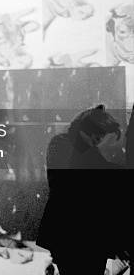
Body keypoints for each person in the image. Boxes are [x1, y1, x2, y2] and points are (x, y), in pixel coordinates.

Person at [37, 105, 125, 275]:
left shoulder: (83, 149)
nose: (100, 138)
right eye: (99, 133)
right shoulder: (64, 145)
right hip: (72, 236)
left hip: (78, 236)